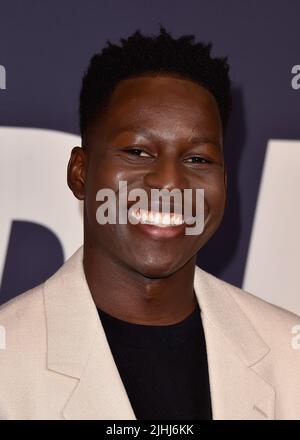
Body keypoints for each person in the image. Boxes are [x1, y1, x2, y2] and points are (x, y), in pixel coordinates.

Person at [0, 26, 299, 420]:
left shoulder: (287, 354)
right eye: (138, 151)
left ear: (224, 184)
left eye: (198, 159)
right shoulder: (9, 361)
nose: (170, 183)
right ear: (80, 171)